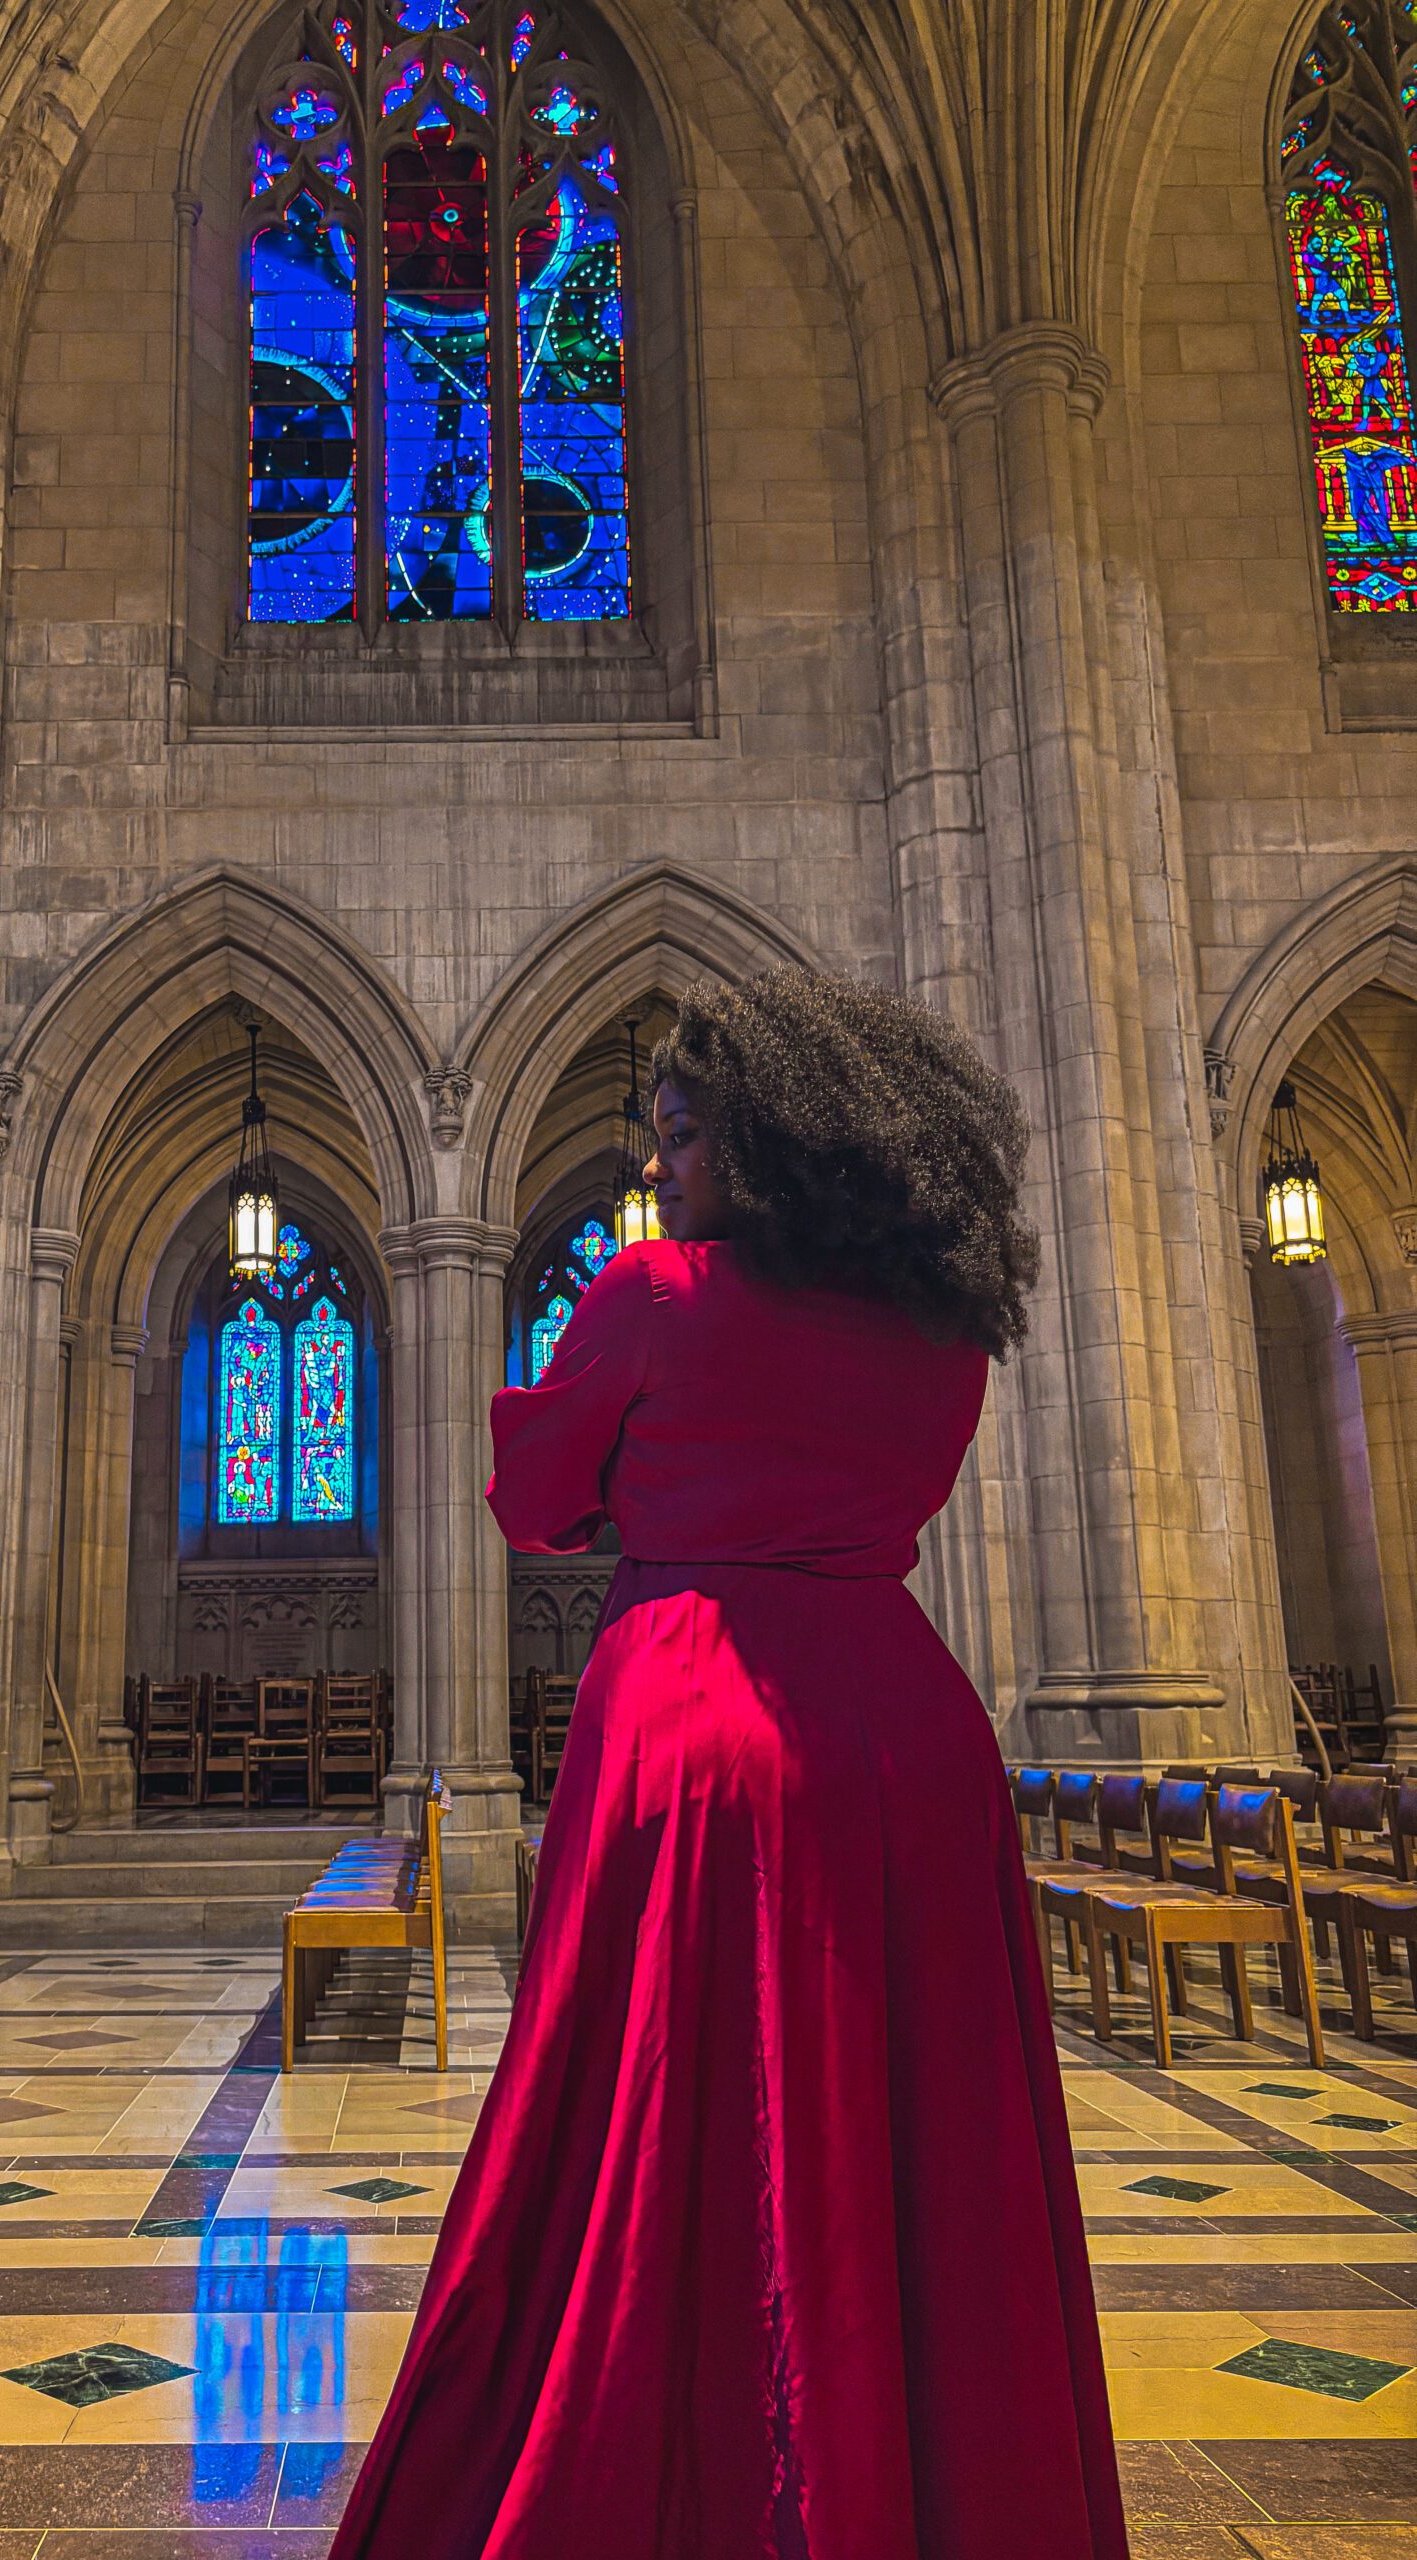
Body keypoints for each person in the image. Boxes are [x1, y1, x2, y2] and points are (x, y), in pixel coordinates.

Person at [330, 969, 1128, 2560]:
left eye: (683, 1136)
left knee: (662, 2128)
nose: (659, 1169)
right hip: (908, 1729)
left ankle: (657, 2458)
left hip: (703, 1726)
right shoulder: (940, 1325)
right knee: (911, 2143)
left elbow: (535, 1498)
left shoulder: (659, 1294)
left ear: (770, 1142)